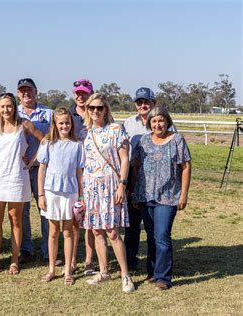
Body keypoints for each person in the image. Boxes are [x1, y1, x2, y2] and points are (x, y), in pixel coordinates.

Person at [131, 106, 191, 290]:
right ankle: (152, 272)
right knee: (151, 236)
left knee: (162, 235)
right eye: (154, 121)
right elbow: (135, 166)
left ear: (167, 121)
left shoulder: (177, 140)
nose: (158, 124)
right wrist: (133, 191)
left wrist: (184, 193)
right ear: (149, 123)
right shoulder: (143, 141)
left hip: (168, 196)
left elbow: (186, 167)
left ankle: (163, 278)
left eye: (161, 120)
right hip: (145, 195)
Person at [81, 93, 135, 293]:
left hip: (111, 185)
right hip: (90, 186)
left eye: (99, 108)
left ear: (106, 110)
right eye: (92, 108)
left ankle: (125, 275)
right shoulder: (86, 132)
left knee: (113, 231)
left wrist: (122, 184)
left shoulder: (116, 130)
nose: (95, 111)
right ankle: (103, 271)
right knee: (96, 230)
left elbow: (125, 159)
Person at [0, 93, 43, 275]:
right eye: (2, 106)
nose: (6, 110)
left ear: (14, 107)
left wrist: (31, 162)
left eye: (9, 106)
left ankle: (14, 260)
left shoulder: (24, 125)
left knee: (16, 221)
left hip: (17, 179)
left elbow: (44, 141)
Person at [37, 107, 84, 285]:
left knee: (68, 231)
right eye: (61, 123)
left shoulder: (77, 145)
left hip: (70, 192)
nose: (64, 126)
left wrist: (81, 197)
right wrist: (41, 194)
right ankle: (51, 269)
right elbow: (42, 169)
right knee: (53, 232)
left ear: (71, 124)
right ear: (55, 125)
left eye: (67, 123)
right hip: (51, 192)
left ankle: (68, 270)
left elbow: (79, 173)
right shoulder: (47, 143)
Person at [16, 78, 53, 264]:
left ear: (36, 92)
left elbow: (52, 139)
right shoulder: (13, 112)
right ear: (17, 94)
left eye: (29, 90)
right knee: (22, 210)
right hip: (21, 169)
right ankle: (26, 249)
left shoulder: (48, 113)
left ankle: (48, 250)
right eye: (22, 91)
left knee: (45, 209)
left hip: (43, 168)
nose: (26, 94)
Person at [122, 87, 157, 271]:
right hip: (132, 176)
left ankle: (154, 264)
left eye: (146, 102)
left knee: (153, 224)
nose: (143, 105)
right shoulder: (127, 124)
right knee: (132, 222)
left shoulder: (163, 122)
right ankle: (129, 260)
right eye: (139, 102)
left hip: (156, 178)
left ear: (154, 103)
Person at [69, 78, 96, 275]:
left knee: (89, 219)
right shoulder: (67, 116)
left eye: (84, 93)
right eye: (78, 93)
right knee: (73, 218)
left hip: (93, 173)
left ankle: (88, 260)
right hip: (71, 174)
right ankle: (71, 259)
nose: (80, 96)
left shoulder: (97, 115)